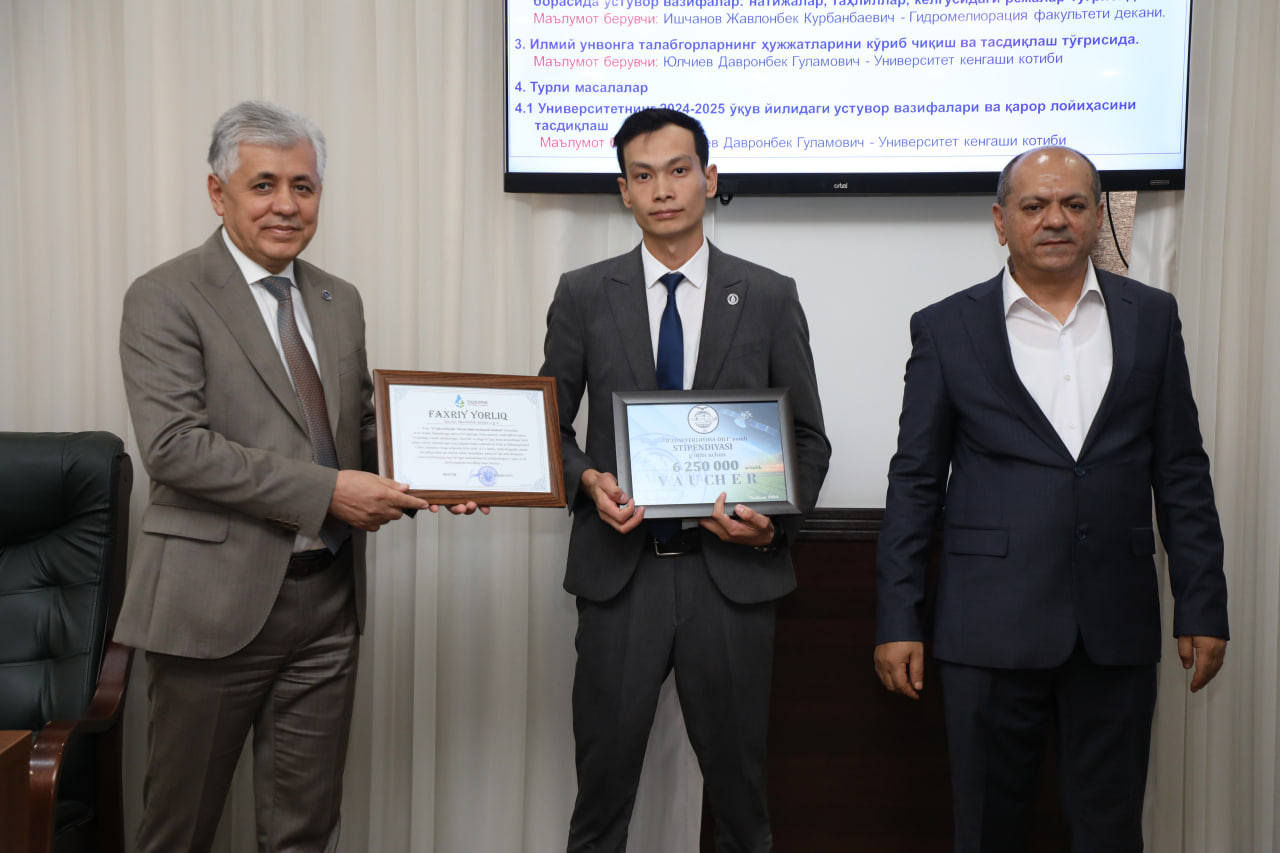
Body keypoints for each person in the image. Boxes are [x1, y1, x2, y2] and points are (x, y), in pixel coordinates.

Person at [117, 100, 481, 853]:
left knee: (304, 831)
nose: (286, 204)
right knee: (179, 829)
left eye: (304, 186)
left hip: (327, 604)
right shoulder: (165, 295)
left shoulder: (337, 299)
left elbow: (359, 431)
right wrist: (329, 493)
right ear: (218, 193)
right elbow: (176, 448)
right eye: (264, 184)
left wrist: (440, 472)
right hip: (213, 606)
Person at [873, 146, 1230, 852]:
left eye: (1072, 204)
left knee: (1109, 831)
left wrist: (1202, 602)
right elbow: (915, 481)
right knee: (988, 831)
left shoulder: (1151, 316)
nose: (1055, 219)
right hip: (987, 626)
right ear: (1000, 221)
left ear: (1097, 216)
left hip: (1115, 624)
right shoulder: (946, 326)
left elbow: (1182, 471)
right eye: (1034, 205)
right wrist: (897, 617)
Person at [539, 107, 831, 852]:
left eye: (678, 170)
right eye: (643, 175)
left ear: (710, 177)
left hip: (729, 579)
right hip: (621, 577)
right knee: (601, 801)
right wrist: (588, 479)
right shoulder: (583, 293)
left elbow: (807, 439)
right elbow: (548, 428)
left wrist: (772, 526)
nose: (662, 189)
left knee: (741, 804)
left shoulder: (768, 294)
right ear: (624, 191)